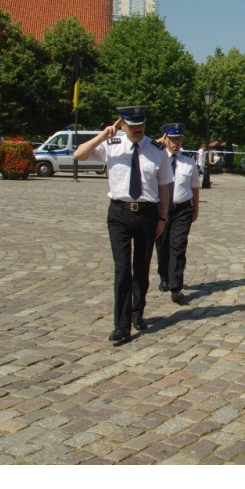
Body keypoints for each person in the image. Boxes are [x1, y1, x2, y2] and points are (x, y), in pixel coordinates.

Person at [74, 105, 172, 345]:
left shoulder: (158, 150)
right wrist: (103, 135)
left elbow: (164, 186)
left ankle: (138, 311)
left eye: (141, 126)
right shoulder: (112, 145)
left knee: (141, 266)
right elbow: (79, 155)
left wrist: (163, 218)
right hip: (119, 213)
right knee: (121, 269)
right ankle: (122, 325)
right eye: (132, 126)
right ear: (122, 124)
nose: (137, 130)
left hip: (148, 214)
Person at [155, 123, 200, 305]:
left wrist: (196, 208)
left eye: (179, 139)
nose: (176, 143)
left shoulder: (188, 161)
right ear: (165, 138)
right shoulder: (157, 157)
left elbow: (195, 186)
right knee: (162, 246)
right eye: (173, 139)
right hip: (161, 210)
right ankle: (164, 276)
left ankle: (176, 287)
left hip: (182, 209)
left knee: (178, 247)